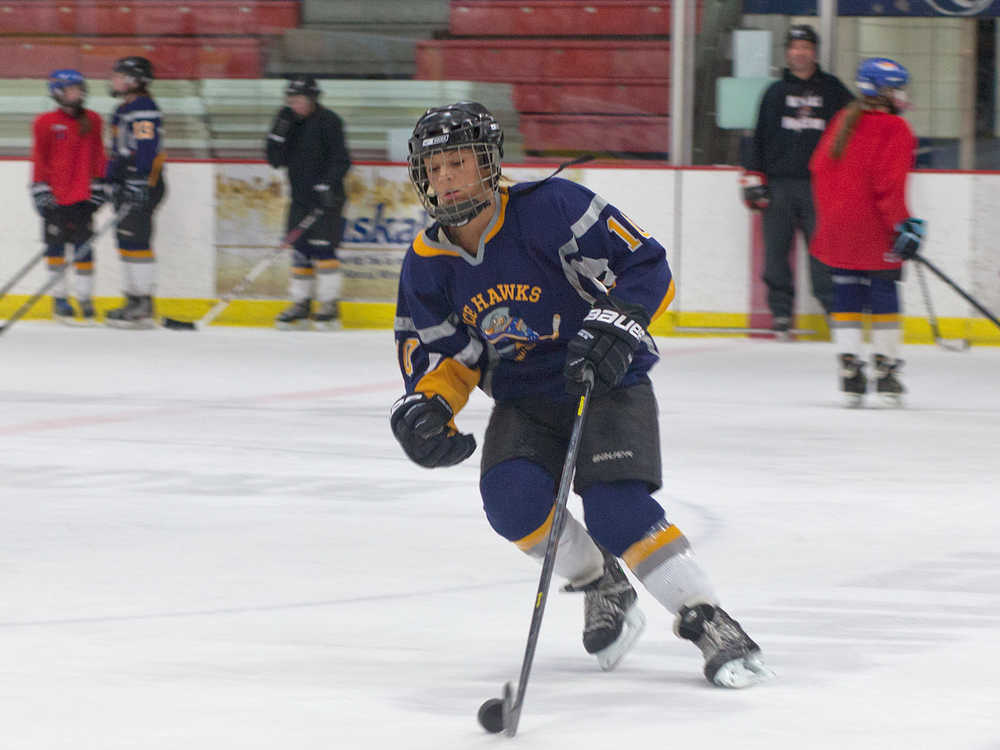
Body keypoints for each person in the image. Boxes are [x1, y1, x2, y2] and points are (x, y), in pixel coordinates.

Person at [390, 102, 773, 688]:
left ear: (489, 164)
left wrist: (617, 324)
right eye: (433, 167)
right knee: (511, 503)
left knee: (618, 510)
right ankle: (602, 584)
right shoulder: (426, 264)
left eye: (458, 162)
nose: (444, 179)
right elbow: (444, 356)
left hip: (607, 381)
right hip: (525, 397)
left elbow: (646, 265)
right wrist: (430, 407)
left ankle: (708, 619)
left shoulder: (551, 208)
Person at [810, 58, 921, 408]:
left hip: (838, 229)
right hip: (875, 230)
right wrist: (903, 225)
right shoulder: (896, 129)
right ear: (882, 91)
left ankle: (850, 371)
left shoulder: (843, 120)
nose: (901, 94)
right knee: (884, 292)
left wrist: (835, 217)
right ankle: (886, 371)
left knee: (847, 294)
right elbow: (888, 187)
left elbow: (818, 169)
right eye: (896, 88)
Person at [741, 24, 854, 338]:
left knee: (823, 252)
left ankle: (834, 310)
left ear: (814, 52)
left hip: (820, 188)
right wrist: (752, 179)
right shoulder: (774, 93)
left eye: (805, 47)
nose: (799, 52)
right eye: (794, 47)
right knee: (776, 253)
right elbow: (758, 139)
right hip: (778, 186)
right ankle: (780, 314)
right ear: (788, 52)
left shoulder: (834, 91)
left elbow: (857, 133)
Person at [265, 76, 351, 330]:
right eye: (291, 100)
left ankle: (328, 304)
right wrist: (277, 135)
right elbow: (274, 159)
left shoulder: (330, 121)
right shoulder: (286, 119)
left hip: (328, 199)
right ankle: (301, 303)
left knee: (324, 250)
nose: (295, 105)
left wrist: (328, 184)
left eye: (299, 100)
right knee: (300, 250)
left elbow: (342, 160)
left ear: (313, 99)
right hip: (300, 198)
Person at [30, 69, 107, 324]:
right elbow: (40, 158)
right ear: (58, 93)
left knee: (84, 249)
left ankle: (84, 298)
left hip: (83, 197)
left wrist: (99, 187)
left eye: (80, 88)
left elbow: (99, 156)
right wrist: (40, 189)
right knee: (56, 248)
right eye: (72, 89)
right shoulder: (44, 122)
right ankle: (60, 299)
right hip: (55, 196)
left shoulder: (94, 120)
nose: (78, 93)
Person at [104, 56, 166, 329]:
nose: (113, 79)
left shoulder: (144, 108)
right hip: (126, 181)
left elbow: (146, 147)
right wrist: (109, 179)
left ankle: (143, 304)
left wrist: (140, 181)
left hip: (143, 182)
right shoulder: (122, 109)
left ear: (133, 80)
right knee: (125, 240)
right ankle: (132, 299)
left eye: (118, 75)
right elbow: (118, 151)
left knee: (137, 241)